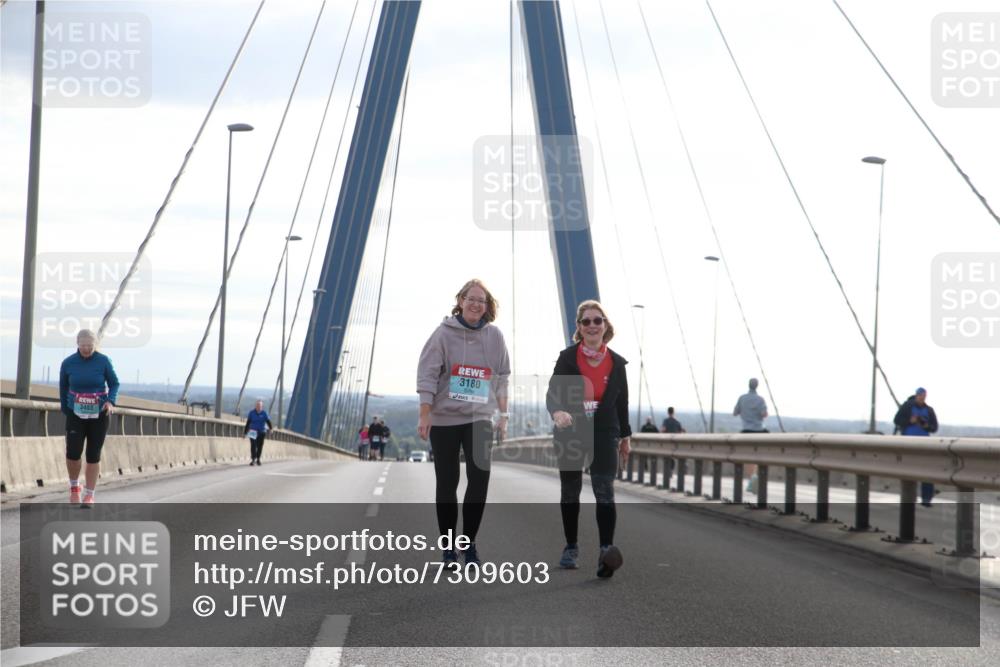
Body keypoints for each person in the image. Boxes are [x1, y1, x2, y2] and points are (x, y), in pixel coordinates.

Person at [417, 279, 511, 569]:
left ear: (487, 306)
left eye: (482, 301)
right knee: (447, 483)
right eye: (471, 299)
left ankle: (469, 545)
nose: (476, 304)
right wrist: (425, 414)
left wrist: (504, 416)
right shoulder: (442, 334)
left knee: (479, 480)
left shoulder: (495, 336)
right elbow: (427, 375)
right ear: (460, 301)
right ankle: (448, 549)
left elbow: (502, 377)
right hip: (445, 419)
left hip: (480, 418)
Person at [547, 300, 631, 579]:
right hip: (571, 431)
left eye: (597, 320)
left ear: (605, 325)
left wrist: (626, 437)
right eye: (586, 321)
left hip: (604, 432)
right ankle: (571, 547)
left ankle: (606, 552)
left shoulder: (617, 363)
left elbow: (622, 403)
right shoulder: (567, 358)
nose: (592, 325)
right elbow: (552, 394)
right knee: (570, 491)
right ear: (579, 328)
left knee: (604, 490)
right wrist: (557, 412)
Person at [59, 329, 120, 508]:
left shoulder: (103, 361)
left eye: (90, 346)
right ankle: (74, 487)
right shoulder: (68, 363)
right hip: (75, 413)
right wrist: (66, 409)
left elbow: (114, 383)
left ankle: (90, 494)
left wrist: (110, 401)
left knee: (93, 455)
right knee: (73, 453)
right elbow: (63, 387)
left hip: (99, 414)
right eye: (83, 345)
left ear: (95, 345)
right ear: (77, 343)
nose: (86, 349)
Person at [894, 387, 939, 506]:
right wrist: (910, 421)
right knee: (908, 472)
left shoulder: (929, 410)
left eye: (924, 396)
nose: (921, 398)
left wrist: (926, 425)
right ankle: (909, 497)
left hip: (924, 445)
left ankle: (926, 498)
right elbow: (897, 420)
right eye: (920, 396)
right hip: (908, 444)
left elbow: (934, 428)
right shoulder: (907, 406)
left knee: (927, 471)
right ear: (916, 395)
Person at [734, 378, 768, 492]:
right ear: (757, 386)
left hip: (746, 431)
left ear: (748, 385)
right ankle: (756, 476)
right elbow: (764, 414)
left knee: (747, 456)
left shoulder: (742, 398)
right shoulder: (760, 399)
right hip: (759, 431)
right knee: (761, 455)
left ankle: (752, 478)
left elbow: (735, 413)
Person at [243, 400, 272, 466]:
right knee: (253, 445)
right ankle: (253, 459)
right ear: (255, 406)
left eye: (260, 405)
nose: (258, 407)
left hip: (262, 432)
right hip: (253, 431)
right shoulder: (251, 413)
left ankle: (258, 459)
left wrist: (271, 429)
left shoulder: (264, 413)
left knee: (260, 446)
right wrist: (245, 433)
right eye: (257, 405)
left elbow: (268, 421)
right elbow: (248, 423)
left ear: (262, 406)